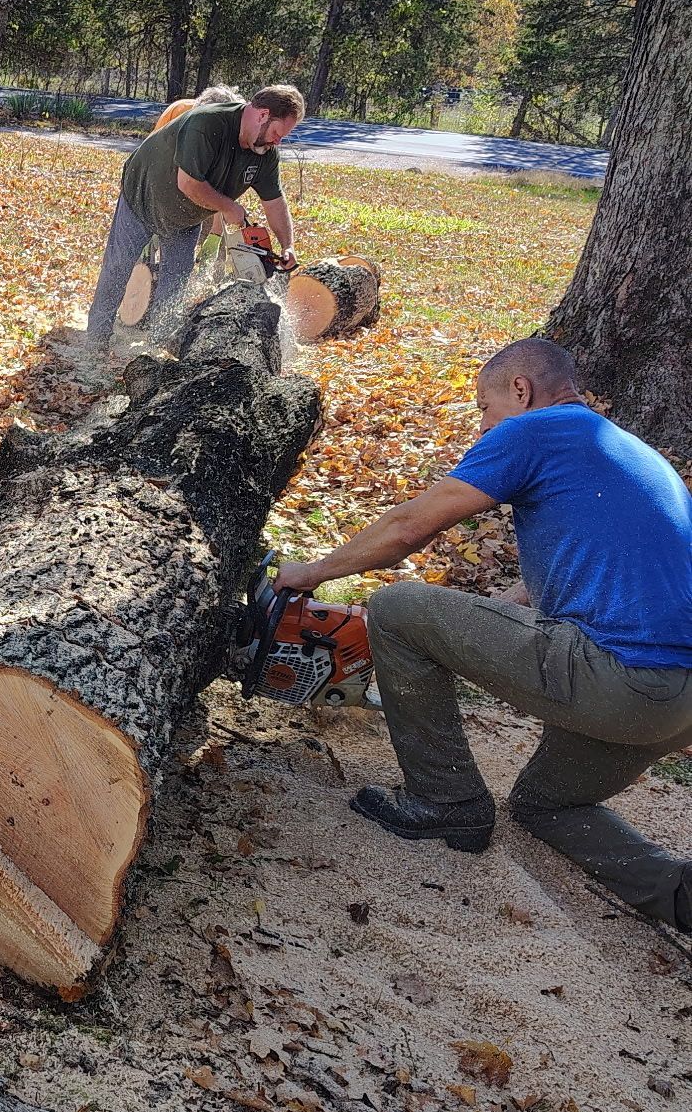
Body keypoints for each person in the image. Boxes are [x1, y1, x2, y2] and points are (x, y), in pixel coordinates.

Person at [273, 337, 692, 937]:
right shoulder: (630, 453)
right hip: (677, 705)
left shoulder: (533, 432)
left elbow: (411, 526)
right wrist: (498, 612)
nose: (483, 423)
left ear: (520, 391)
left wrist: (311, 572)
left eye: (483, 406)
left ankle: (447, 802)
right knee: (548, 805)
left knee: (395, 608)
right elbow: (606, 570)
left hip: (619, 679)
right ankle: (676, 893)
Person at [83, 82, 305, 360]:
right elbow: (189, 184)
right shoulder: (207, 124)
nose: (277, 141)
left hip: (185, 217)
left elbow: (274, 201)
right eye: (276, 133)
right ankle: (96, 341)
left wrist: (288, 245)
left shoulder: (265, 154)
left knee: (175, 281)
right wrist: (229, 207)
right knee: (118, 266)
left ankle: (156, 349)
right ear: (262, 115)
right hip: (143, 195)